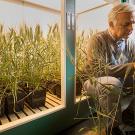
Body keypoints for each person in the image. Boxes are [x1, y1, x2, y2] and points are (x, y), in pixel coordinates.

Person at [83, 3, 135, 135]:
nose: (131, 28)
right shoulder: (97, 40)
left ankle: (130, 115)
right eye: (126, 24)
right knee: (112, 84)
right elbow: (97, 71)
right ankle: (113, 128)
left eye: (133, 23)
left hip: (120, 82)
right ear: (111, 24)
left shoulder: (129, 42)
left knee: (116, 83)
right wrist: (131, 66)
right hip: (95, 82)